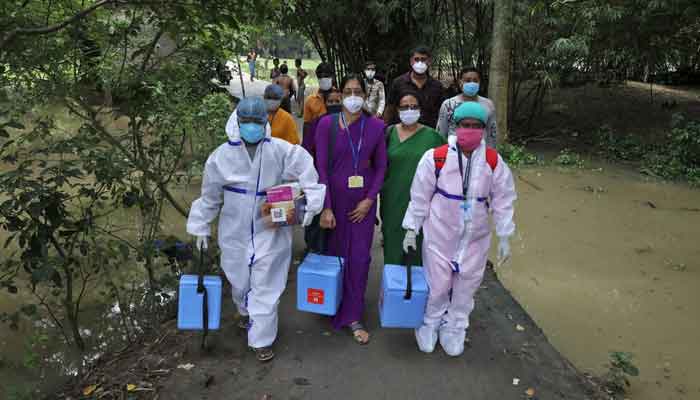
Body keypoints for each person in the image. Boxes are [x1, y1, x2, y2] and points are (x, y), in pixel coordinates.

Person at [187, 97, 325, 362]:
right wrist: (201, 227)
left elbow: (308, 171)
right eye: (246, 122)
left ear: (265, 123)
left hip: (270, 229)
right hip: (234, 230)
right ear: (237, 122)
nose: (251, 127)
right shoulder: (220, 157)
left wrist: (310, 205)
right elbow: (210, 197)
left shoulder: (281, 150)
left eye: (256, 122)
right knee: (239, 281)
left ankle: (261, 339)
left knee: (267, 285)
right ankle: (245, 311)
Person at [402, 101, 516, 357]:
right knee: (438, 286)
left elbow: (504, 199)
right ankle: (429, 323)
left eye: (477, 126)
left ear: (484, 130)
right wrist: (412, 228)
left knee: (466, 288)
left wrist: (505, 235)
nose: (470, 130)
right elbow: (419, 195)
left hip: (475, 239)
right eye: (465, 125)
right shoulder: (436, 157)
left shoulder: (493, 161)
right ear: (456, 126)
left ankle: (455, 328)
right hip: (439, 235)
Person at [315, 74, 387, 344]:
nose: (353, 96)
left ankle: (353, 314)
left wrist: (370, 200)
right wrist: (326, 208)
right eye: (348, 91)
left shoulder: (376, 127)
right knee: (335, 256)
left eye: (358, 91)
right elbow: (320, 168)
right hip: (334, 200)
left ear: (365, 95)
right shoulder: (326, 125)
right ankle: (333, 301)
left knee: (359, 259)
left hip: (363, 206)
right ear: (340, 94)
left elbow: (381, 167)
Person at [380, 91, 445, 266]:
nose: (409, 110)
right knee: (392, 245)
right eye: (404, 107)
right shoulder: (388, 133)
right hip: (392, 201)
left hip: (422, 203)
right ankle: (392, 289)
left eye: (414, 106)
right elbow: (378, 167)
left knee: (418, 246)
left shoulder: (433, 137)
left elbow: (446, 171)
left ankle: (415, 290)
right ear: (397, 110)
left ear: (420, 110)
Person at [436, 66, 497, 147]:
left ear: (480, 83)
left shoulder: (488, 105)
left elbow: (492, 133)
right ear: (460, 82)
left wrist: (491, 153)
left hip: (480, 152)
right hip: (454, 153)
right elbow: (441, 132)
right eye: (468, 80)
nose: (472, 83)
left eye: (475, 81)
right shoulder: (448, 104)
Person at [386, 46, 445, 128]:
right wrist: (386, 129)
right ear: (411, 62)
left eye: (423, 59)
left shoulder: (437, 86)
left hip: (428, 132)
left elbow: (441, 113)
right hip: (403, 131)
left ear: (429, 62)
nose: (420, 63)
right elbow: (390, 108)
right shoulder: (398, 83)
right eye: (416, 59)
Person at [301, 86, 342, 158]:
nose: (334, 104)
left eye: (337, 101)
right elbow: (307, 146)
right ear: (325, 103)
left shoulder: (348, 121)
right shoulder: (317, 123)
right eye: (330, 101)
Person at [303, 62, 335, 136]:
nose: (323, 79)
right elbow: (307, 125)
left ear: (332, 77)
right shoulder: (310, 100)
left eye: (326, 76)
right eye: (320, 77)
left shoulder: (340, 97)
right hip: (317, 139)